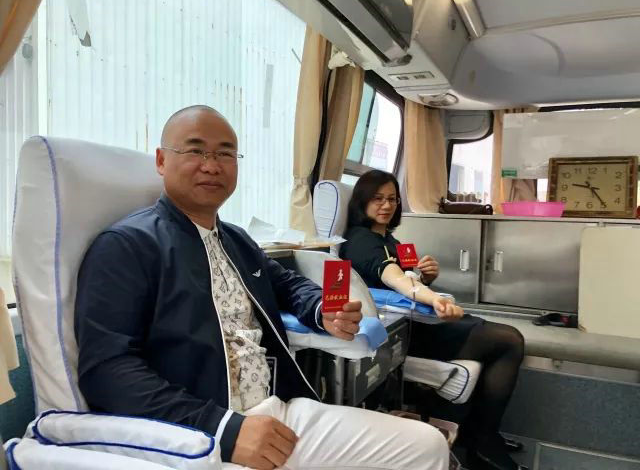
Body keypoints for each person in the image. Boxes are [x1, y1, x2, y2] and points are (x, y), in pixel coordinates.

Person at [74, 105, 449, 470]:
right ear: (161, 160)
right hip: (201, 434)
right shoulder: (127, 246)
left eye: (225, 154)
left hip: (277, 409)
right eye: (195, 151)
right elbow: (107, 371)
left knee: (427, 446)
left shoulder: (236, 240)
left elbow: (287, 283)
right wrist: (224, 430)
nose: (211, 165)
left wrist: (322, 309)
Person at [340, 170, 526, 470]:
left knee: (504, 336)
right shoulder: (360, 240)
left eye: (392, 199)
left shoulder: (389, 239)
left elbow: (410, 278)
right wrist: (434, 298)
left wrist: (427, 278)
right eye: (377, 198)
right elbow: (397, 279)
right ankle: (483, 440)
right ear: (361, 202)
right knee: (509, 340)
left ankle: (479, 433)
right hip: (403, 331)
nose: (386, 205)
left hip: (416, 319)